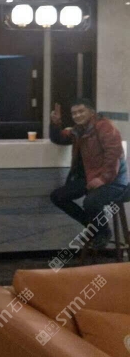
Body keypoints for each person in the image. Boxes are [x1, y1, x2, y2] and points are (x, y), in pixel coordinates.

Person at [49, 99, 128, 248]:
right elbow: (59, 139)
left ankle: (102, 232)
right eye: (74, 113)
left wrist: (103, 179)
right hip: (91, 176)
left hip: (115, 180)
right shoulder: (78, 130)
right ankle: (97, 229)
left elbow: (114, 155)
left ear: (91, 112)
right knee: (58, 196)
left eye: (81, 111)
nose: (77, 115)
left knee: (91, 202)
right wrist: (55, 123)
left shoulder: (104, 126)